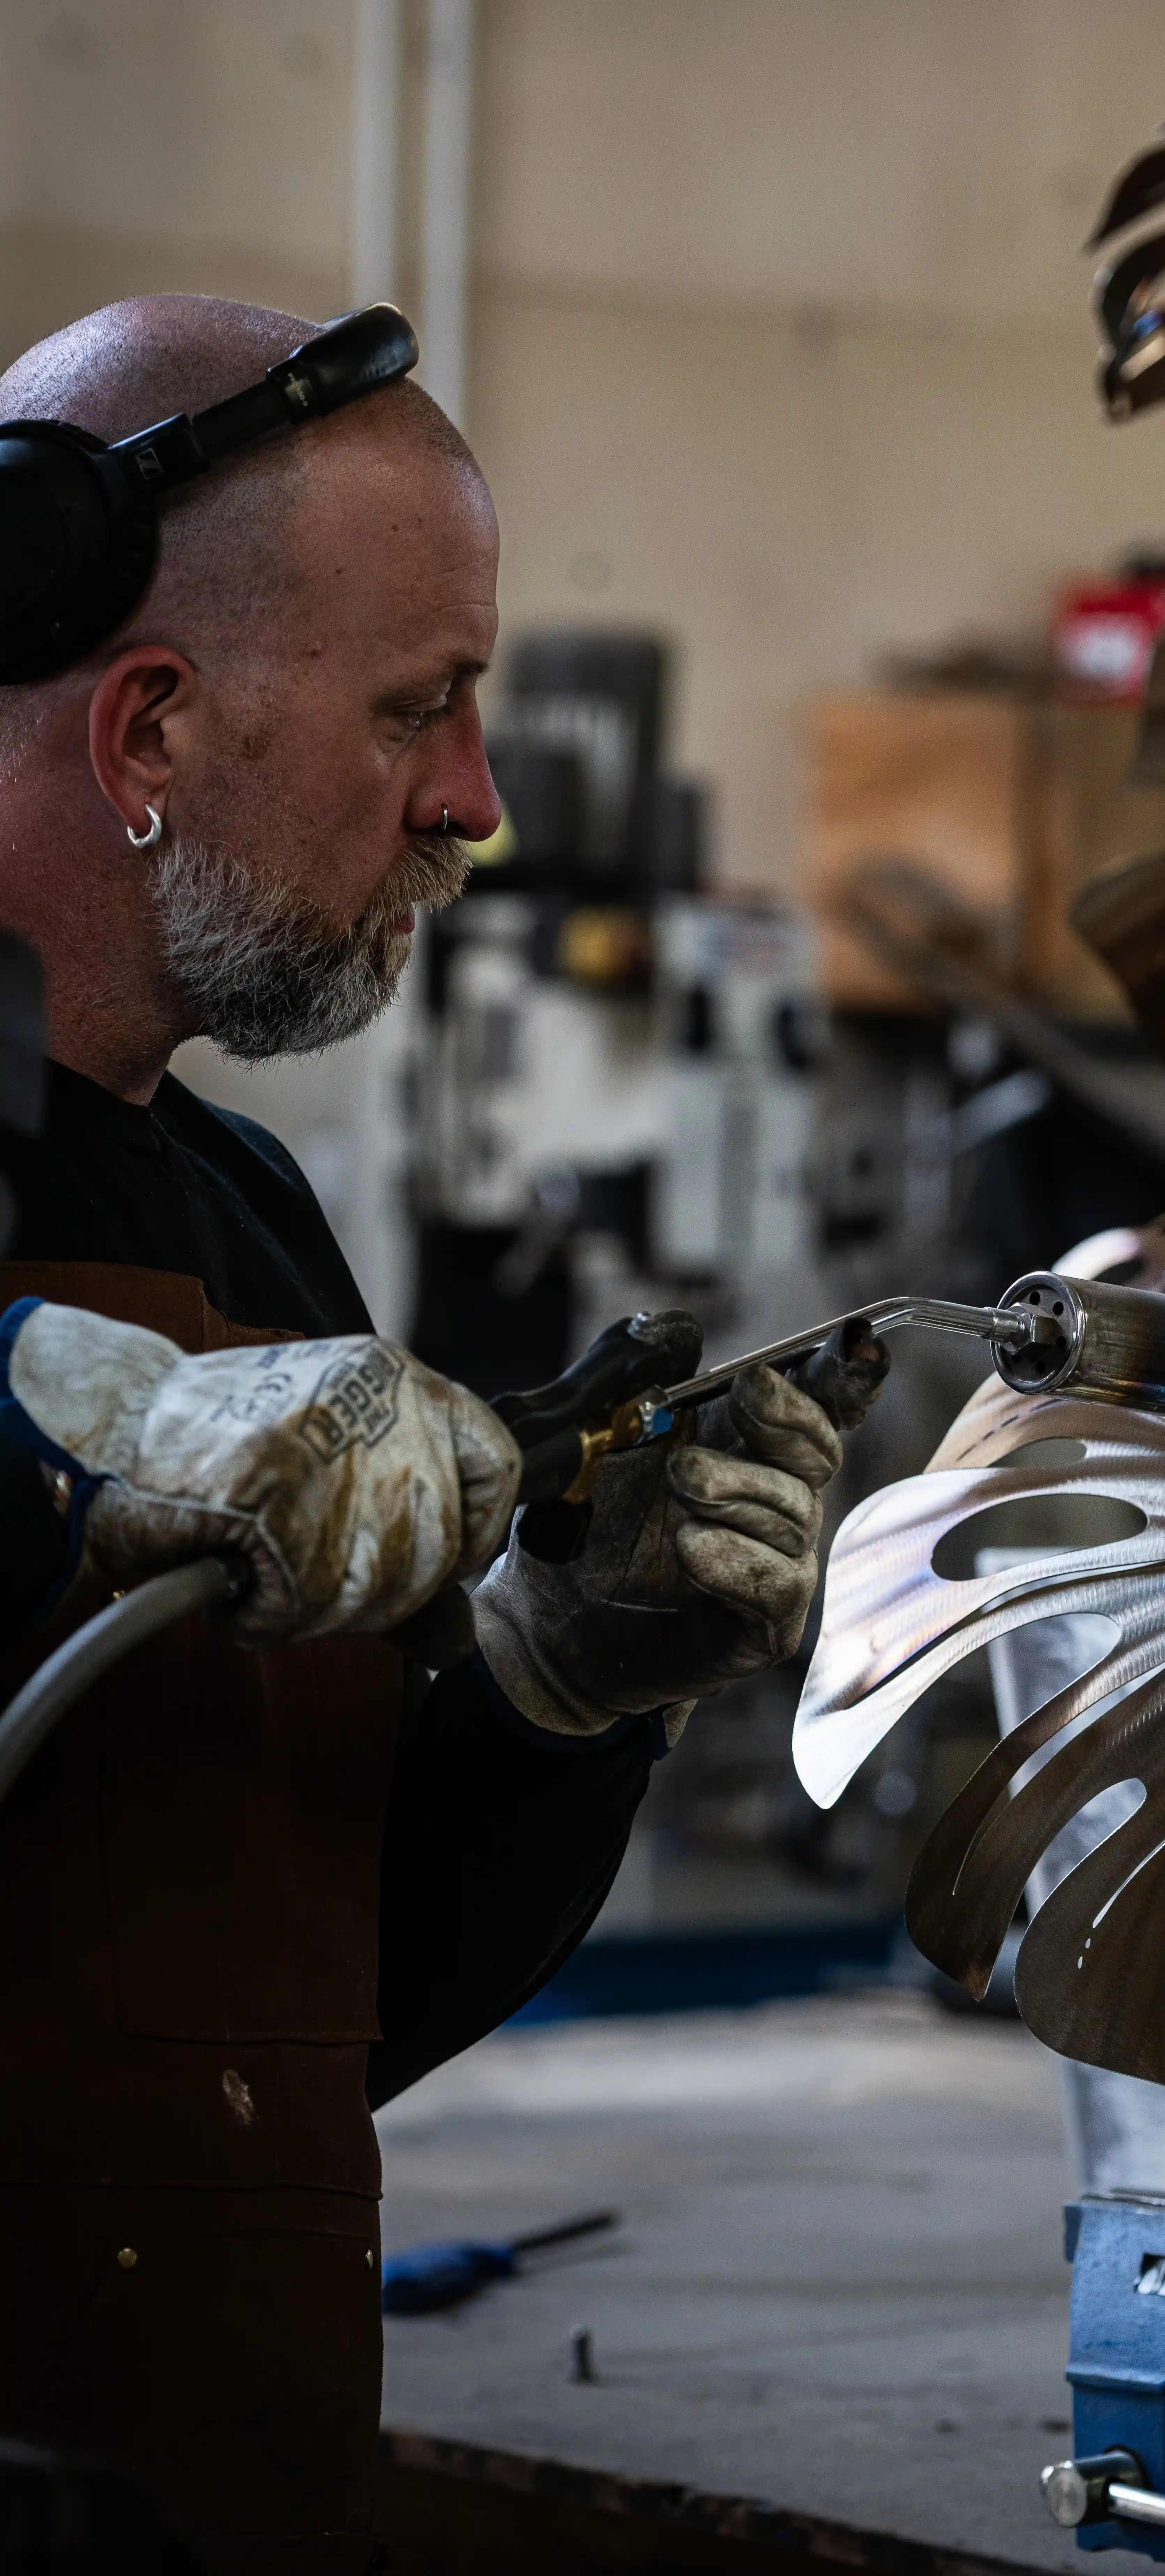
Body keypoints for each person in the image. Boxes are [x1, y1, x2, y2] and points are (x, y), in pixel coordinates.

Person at [0, 296, 882, 2574]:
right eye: (423, 706)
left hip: (222, 2496)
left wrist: (557, 1688)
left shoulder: (243, 1212)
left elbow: (322, 2010)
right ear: (151, 727)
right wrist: (84, 1423)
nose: (477, 797)